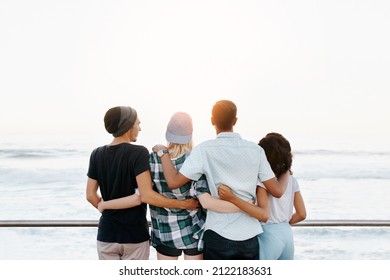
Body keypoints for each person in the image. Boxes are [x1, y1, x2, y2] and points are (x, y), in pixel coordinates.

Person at [154, 100, 288, 260]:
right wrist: (288, 163)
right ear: (235, 121)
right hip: (249, 235)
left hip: (218, 234)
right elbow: (277, 191)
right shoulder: (256, 151)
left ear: (212, 121)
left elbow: (174, 182)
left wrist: (163, 153)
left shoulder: (204, 150)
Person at [86, 106, 199, 260]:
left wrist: (106, 207)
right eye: (137, 124)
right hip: (133, 234)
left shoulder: (96, 154)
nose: (139, 128)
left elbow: (91, 196)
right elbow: (144, 196)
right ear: (128, 126)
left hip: (106, 234)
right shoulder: (138, 153)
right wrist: (184, 204)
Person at [150, 112, 243, 260]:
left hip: (165, 231)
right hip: (193, 231)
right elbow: (203, 196)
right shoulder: (195, 159)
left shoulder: (153, 158)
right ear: (190, 134)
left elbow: (149, 194)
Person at [219, 132, 307, 260]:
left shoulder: (262, 182)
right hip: (287, 235)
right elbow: (302, 214)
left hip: (268, 236)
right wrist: (283, 224)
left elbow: (262, 214)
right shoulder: (292, 180)